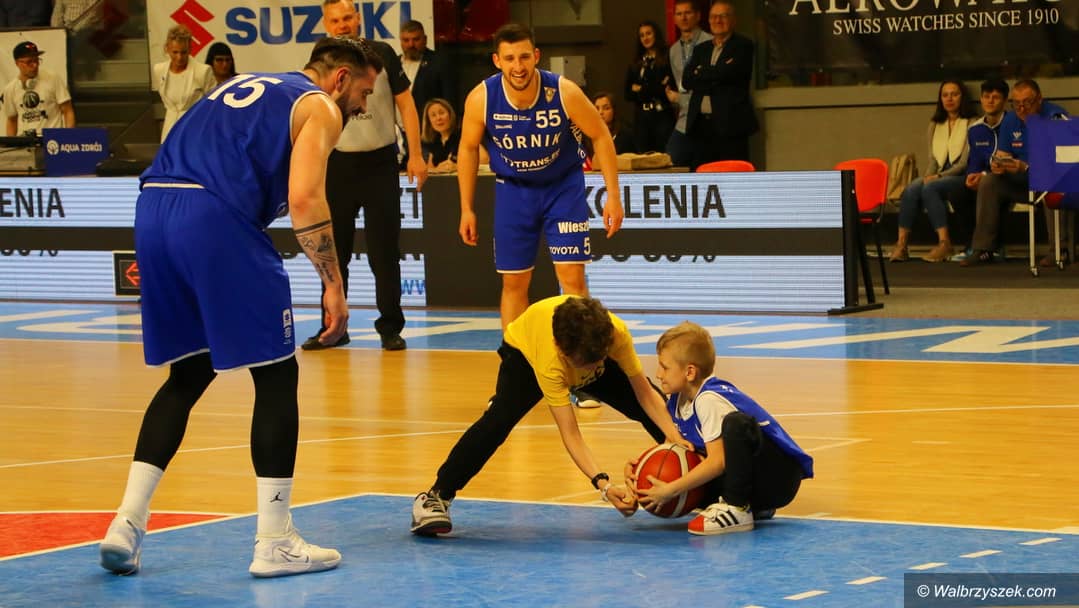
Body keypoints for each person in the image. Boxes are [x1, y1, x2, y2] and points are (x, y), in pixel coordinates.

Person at [97, 36, 382, 578]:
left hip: (153, 210)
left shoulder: (242, 85)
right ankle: (274, 541)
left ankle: (126, 524)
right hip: (213, 217)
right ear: (341, 78)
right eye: (364, 92)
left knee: (189, 373)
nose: (362, 106)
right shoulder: (318, 104)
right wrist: (334, 284)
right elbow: (304, 198)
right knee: (276, 376)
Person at [409, 295, 689, 536]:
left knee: (658, 410)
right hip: (524, 354)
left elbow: (646, 396)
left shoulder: (613, 335)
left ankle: (700, 481)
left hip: (586, 349)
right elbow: (571, 433)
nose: (589, 372)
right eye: (584, 365)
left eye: (597, 362)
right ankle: (436, 497)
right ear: (561, 349)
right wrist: (603, 485)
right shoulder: (550, 361)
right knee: (498, 421)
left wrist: (675, 438)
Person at [456, 23, 624, 331]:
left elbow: (600, 135)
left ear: (536, 56)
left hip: (563, 187)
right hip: (513, 191)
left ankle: (580, 352)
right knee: (514, 281)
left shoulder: (564, 91)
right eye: (509, 59)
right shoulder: (482, 98)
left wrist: (613, 196)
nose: (518, 67)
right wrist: (466, 208)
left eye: (524, 57)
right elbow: (467, 149)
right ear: (497, 61)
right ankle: (515, 354)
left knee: (572, 277)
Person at [301, 0, 427, 352]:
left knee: (383, 252)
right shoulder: (322, 56)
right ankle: (332, 328)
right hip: (337, 165)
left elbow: (406, 104)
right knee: (332, 252)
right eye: (335, 20)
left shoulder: (381, 52)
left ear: (358, 18)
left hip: (380, 164)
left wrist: (416, 154)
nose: (342, 25)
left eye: (347, 18)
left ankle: (390, 326)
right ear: (326, 23)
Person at [626, 321, 814, 535]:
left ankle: (737, 508)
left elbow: (718, 462)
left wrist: (671, 489)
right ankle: (754, 506)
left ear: (689, 372)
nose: (659, 374)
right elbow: (674, 451)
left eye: (665, 367)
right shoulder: (678, 399)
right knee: (693, 478)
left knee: (736, 424)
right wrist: (638, 472)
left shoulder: (709, 399)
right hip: (754, 478)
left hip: (778, 478)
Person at [961, 79, 1069, 267]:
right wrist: (999, 164)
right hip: (1022, 181)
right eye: (1016, 103)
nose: (1022, 109)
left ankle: (1060, 250)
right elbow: (1003, 153)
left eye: (1027, 103)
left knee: (1052, 183)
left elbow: (1062, 163)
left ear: (1039, 99)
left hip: (1051, 180)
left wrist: (1025, 166)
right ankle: (983, 248)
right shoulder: (1011, 120)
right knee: (990, 182)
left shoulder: (1056, 117)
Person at [887, 80, 976, 263]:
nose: (949, 99)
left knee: (931, 187)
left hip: (961, 175)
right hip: (939, 173)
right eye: (945, 95)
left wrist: (938, 177)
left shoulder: (972, 123)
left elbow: (964, 163)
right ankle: (901, 244)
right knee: (913, 187)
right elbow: (933, 160)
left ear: (962, 97)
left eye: (954, 94)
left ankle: (945, 243)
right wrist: (928, 176)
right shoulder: (935, 124)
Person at [683, 0, 758, 168]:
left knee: (732, 175)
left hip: (730, 126)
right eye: (713, 16)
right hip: (701, 126)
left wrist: (701, 73)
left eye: (723, 16)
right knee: (702, 174)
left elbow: (727, 74)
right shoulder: (701, 49)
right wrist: (715, 74)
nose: (717, 20)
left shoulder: (743, 45)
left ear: (733, 20)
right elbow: (687, 80)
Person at [951, 79, 1009, 263]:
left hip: (1006, 177)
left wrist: (983, 176)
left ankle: (992, 246)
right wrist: (972, 175)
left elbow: (1011, 159)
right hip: (983, 178)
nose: (990, 101)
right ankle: (972, 245)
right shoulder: (975, 129)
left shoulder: (1013, 124)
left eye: (995, 97)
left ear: (1005, 101)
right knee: (957, 191)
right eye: (986, 96)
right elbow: (974, 160)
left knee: (990, 186)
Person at [666, 0, 713, 167]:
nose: (683, 17)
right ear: (674, 19)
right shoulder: (673, 50)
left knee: (704, 167)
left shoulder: (710, 42)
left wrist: (679, 98)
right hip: (684, 118)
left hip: (707, 117)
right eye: (679, 14)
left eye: (688, 13)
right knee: (671, 161)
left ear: (698, 16)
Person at [151, 25, 215, 142]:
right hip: (169, 129)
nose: (179, 57)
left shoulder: (203, 71)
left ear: (190, 49)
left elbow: (213, 105)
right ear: (167, 49)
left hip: (195, 128)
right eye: (175, 52)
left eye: (183, 52)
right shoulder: (159, 70)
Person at [2, 41, 75, 136]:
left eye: (36, 60)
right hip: (25, 142)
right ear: (17, 63)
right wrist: (11, 143)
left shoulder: (53, 79)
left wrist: (69, 137)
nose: (35, 65)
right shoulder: (10, 89)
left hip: (52, 140)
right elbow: (12, 120)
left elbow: (67, 111)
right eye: (29, 62)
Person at [623, 20, 674, 154]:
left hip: (662, 115)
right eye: (642, 35)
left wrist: (640, 89)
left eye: (648, 33)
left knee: (664, 154)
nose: (645, 38)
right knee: (643, 155)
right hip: (641, 117)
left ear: (656, 34)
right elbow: (627, 93)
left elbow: (664, 90)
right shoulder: (637, 62)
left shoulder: (667, 58)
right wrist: (653, 87)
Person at [399, 20, 456, 119]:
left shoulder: (440, 63)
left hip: (428, 125)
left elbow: (449, 100)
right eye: (406, 40)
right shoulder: (394, 64)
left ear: (425, 39)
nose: (411, 45)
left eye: (416, 39)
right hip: (397, 126)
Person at [583, 92, 635, 165]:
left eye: (606, 108)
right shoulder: (586, 135)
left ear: (614, 110)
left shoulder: (625, 135)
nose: (600, 112)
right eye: (597, 108)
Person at [421, 98, 460, 172]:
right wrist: (437, 169)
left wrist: (457, 167)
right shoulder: (434, 142)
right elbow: (429, 170)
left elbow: (483, 160)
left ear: (450, 115)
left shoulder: (462, 136)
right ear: (429, 122)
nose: (438, 118)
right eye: (433, 115)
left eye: (441, 113)